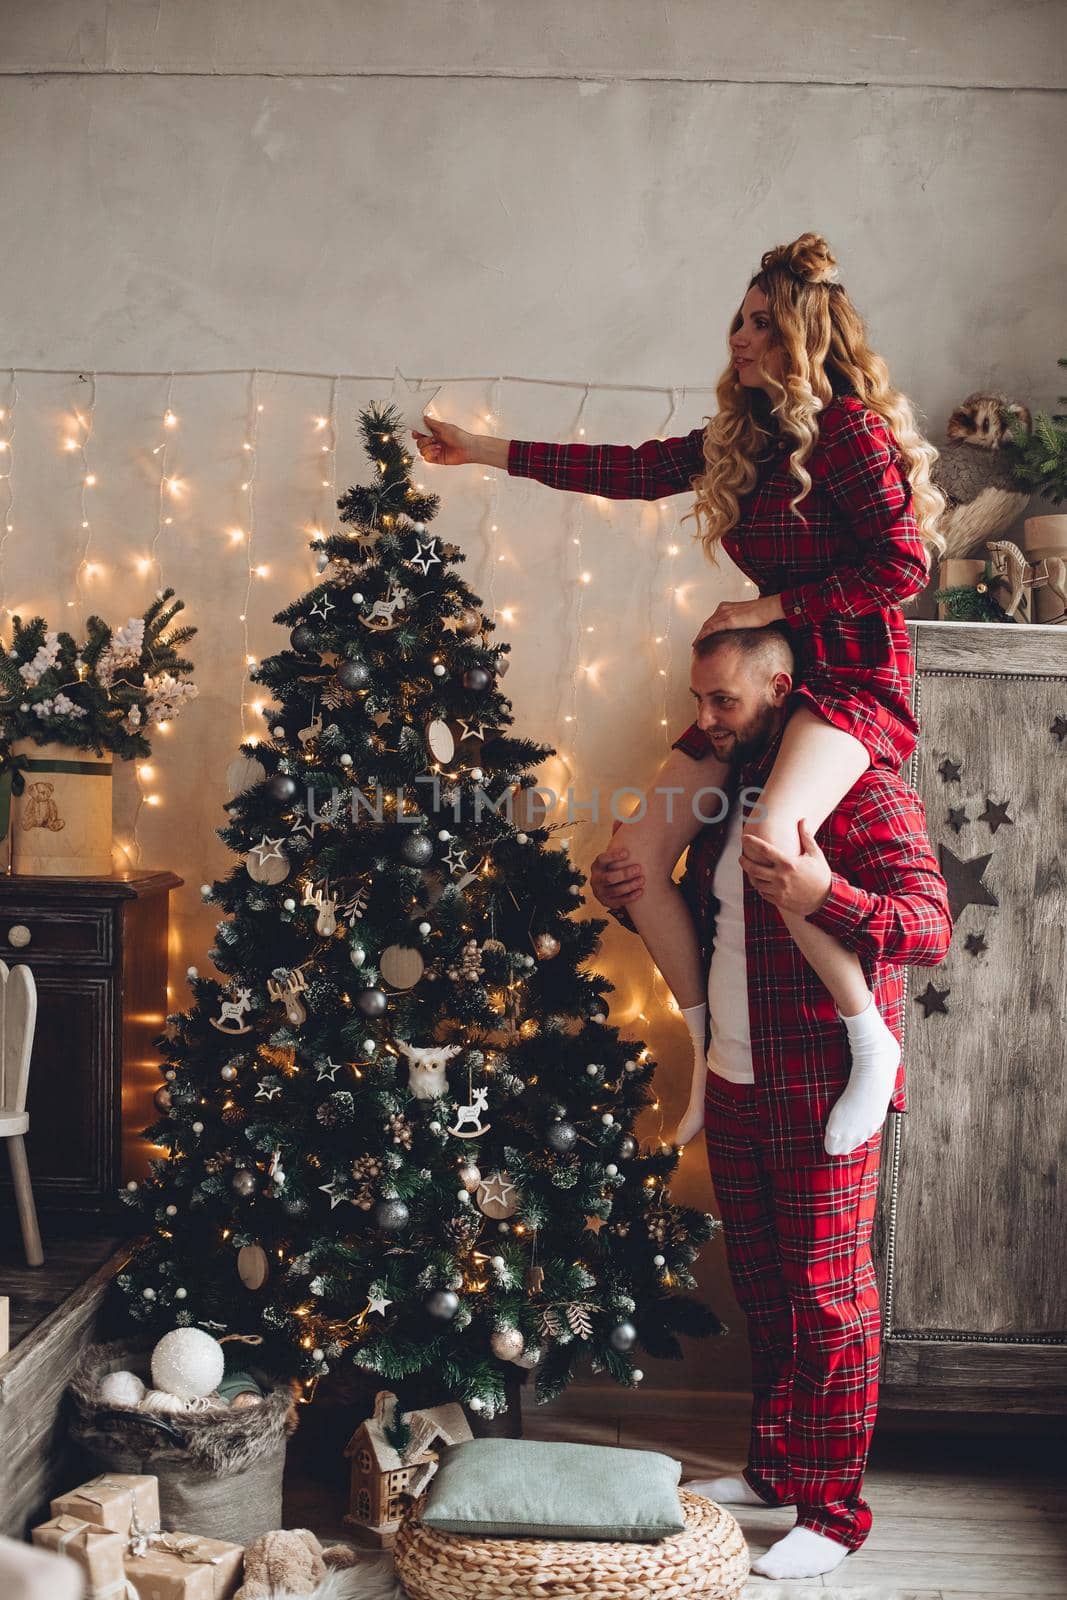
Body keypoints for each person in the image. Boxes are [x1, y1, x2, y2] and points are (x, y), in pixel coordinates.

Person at [411, 229, 948, 1161]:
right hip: (755, 688)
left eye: (765, 329)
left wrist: (770, 603)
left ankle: (870, 1040)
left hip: (847, 680)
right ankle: (706, 1050)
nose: (740, 340)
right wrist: (481, 449)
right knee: (635, 854)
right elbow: (624, 470)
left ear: (808, 341)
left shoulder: (850, 432)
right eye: (739, 323)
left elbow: (902, 564)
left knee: (772, 842)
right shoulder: (741, 438)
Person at [588, 621, 952, 1579]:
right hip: (736, 1081)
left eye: (722, 702)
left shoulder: (858, 789)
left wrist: (826, 891)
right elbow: (695, 913)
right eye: (697, 699)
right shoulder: (729, 789)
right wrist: (620, 885)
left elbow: (928, 925)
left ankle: (832, 1514)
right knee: (765, 1292)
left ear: (782, 687)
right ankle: (775, 1468)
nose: (701, 720)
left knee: (831, 1306)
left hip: (823, 1089)